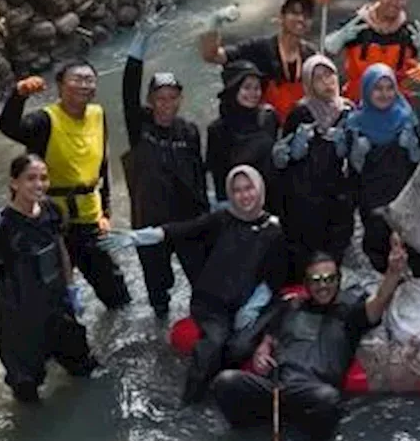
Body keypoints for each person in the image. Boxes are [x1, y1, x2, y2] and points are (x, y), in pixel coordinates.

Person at [99, 165, 287, 404]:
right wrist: (141, 236)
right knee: (213, 345)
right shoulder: (222, 218)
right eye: (237, 190)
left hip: (246, 303)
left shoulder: (274, 231)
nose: (244, 195)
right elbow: (186, 229)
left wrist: (254, 304)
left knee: (239, 348)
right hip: (211, 303)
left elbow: (276, 276)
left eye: (248, 188)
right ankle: (189, 401)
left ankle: (230, 390)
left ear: (259, 189)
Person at [212, 237, 407, 439]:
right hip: (276, 386)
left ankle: (303, 432)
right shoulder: (290, 306)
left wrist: (393, 272)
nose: (323, 286)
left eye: (329, 279)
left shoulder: (350, 312)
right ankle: (254, 429)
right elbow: (270, 335)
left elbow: (379, 300)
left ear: (338, 280)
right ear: (306, 283)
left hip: (313, 391)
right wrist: (262, 349)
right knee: (225, 382)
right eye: (316, 280)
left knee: (328, 399)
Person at [0, 63, 132, 310]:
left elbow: (102, 165)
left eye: (90, 80)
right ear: (60, 86)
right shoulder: (44, 120)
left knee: (117, 293)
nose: (85, 85)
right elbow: (9, 127)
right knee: (54, 296)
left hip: (90, 218)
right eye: (78, 79)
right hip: (50, 222)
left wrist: (106, 212)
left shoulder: (97, 114)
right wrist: (18, 95)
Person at [0, 154, 99, 403]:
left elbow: (61, 250)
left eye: (43, 178)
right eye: (30, 178)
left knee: (86, 369)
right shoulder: (1, 225)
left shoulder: (51, 210)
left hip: (57, 306)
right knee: (27, 390)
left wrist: (72, 288)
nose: (39, 184)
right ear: (14, 183)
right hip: (20, 320)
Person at [121, 11, 209, 318]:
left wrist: (206, 213)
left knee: (202, 281)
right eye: (160, 98)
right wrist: (140, 43)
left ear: (180, 100)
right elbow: (128, 90)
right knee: (158, 290)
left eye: (173, 98)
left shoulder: (189, 131)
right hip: (148, 220)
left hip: (185, 221)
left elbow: (199, 172)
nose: (167, 104)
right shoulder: (140, 126)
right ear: (150, 101)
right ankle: (161, 323)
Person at [343, 63, 420, 278]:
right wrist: (357, 154)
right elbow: (352, 171)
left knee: (412, 246)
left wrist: (413, 147)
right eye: (377, 88)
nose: (384, 94)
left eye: (389, 88)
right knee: (377, 244)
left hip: (404, 196)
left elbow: (418, 164)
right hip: (372, 197)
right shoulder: (355, 122)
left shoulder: (406, 117)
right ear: (366, 90)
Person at [273, 55, 355, 275]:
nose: (326, 82)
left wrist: (348, 147)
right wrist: (294, 152)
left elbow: (355, 156)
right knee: (307, 251)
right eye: (318, 78)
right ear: (309, 84)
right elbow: (283, 159)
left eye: (329, 75)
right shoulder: (300, 112)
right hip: (305, 196)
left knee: (337, 246)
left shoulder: (348, 110)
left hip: (337, 194)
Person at [199, 0, 318, 123]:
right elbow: (212, 56)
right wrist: (214, 22)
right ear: (282, 16)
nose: (301, 19)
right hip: (264, 128)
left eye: (306, 15)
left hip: (297, 127)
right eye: (294, 13)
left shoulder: (310, 54)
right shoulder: (259, 48)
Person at [322, 0, 420, 102]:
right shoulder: (356, 25)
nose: (394, 2)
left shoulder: (412, 32)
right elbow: (324, 54)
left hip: (396, 112)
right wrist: (336, 40)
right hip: (356, 107)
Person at [204, 60, 281, 208]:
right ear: (233, 90)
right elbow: (219, 177)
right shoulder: (218, 130)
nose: (253, 93)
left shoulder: (269, 117)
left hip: (273, 199)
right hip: (239, 205)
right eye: (247, 88)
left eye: (257, 88)